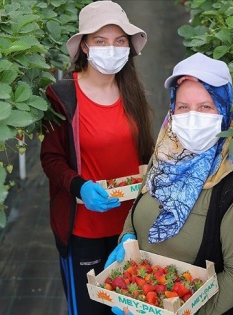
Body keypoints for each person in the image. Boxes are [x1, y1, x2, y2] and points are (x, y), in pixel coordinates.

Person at [105, 53, 233, 315]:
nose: (193, 117)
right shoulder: (165, 159)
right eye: (183, 107)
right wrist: (126, 238)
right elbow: (137, 208)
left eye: (205, 107)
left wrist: (184, 312)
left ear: (225, 112)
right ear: (172, 111)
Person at [39, 1, 155, 314]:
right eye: (101, 41)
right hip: (84, 230)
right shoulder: (62, 96)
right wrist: (79, 187)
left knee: (130, 304)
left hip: (129, 228)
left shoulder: (132, 91)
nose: (111, 49)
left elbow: (145, 153)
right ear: (86, 47)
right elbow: (51, 158)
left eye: (119, 41)